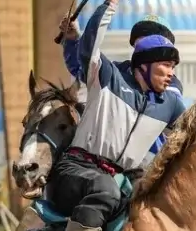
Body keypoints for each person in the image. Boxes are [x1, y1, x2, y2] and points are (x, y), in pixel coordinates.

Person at [45, 0, 187, 231]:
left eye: (172, 66)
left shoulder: (169, 100)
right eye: (165, 65)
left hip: (127, 174)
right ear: (143, 63)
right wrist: (107, 6)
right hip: (79, 169)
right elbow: (86, 53)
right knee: (106, 189)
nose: (170, 73)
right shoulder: (109, 76)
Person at [58, 11, 184, 164]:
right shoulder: (117, 71)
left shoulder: (170, 85)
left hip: (148, 160)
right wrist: (73, 40)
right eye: (143, 39)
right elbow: (83, 70)